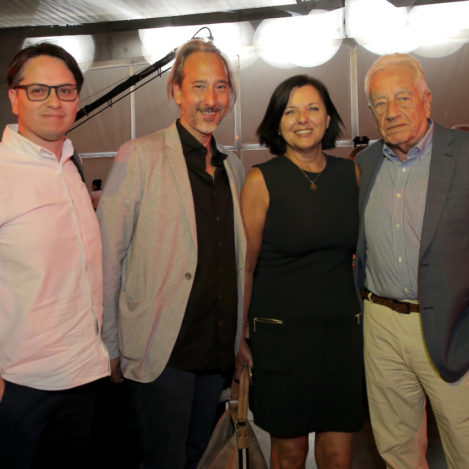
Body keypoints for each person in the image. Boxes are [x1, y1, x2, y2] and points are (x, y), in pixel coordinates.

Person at [97, 38, 246, 469]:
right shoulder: (136, 157)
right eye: (199, 86)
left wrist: (238, 340)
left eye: (220, 87)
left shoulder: (233, 167)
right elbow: (106, 257)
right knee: (163, 460)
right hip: (160, 351)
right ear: (176, 91)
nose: (211, 99)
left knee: (201, 457)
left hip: (215, 351)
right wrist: (109, 345)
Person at [240, 75, 363, 469]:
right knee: (290, 453)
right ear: (277, 124)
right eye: (290, 111)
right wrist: (239, 336)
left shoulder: (350, 175)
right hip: (281, 341)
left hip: (342, 337)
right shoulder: (261, 180)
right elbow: (245, 267)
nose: (303, 119)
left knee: (339, 456)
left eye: (313, 109)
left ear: (328, 119)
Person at [355, 53, 469, 469]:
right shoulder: (365, 164)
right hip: (381, 324)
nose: (392, 112)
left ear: (427, 99)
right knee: (397, 449)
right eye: (380, 103)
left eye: (402, 97)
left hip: (453, 327)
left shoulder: (464, 153)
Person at [0, 43, 110, 469]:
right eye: (38, 90)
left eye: (65, 91)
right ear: (15, 98)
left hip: (83, 378)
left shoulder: (69, 164)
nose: (54, 101)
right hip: (21, 388)